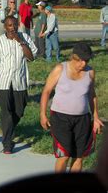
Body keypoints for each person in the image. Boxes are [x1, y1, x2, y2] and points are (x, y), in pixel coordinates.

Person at [40, 43, 104, 173]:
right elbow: (46, 91)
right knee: (64, 155)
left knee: (79, 157)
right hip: (60, 117)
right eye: (81, 60)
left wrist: (95, 117)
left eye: (86, 60)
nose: (84, 64)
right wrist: (43, 114)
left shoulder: (90, 72)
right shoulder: (60, 69)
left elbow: (92, 95)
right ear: (74, 57)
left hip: (83, 119)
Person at [0, 16, 37, 154]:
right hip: (4, 83)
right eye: (9, 25)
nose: (12, 28)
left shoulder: (24, 37)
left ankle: (5, 125)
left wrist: (21, 42)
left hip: (20, 82)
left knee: (19, 111)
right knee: (6, 112)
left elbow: (31, 57)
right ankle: (7, 143)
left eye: (14, 25)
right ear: (5, 27)